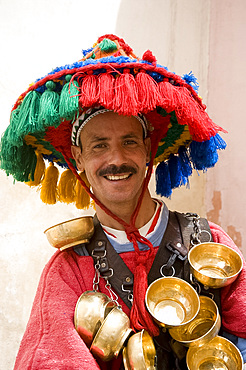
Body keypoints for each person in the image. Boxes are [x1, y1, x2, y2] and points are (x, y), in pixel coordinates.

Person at [1, 34, 246, 369]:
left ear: (148, 150)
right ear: (79, 158)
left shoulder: (210, 244)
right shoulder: (69, 269)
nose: (116, 159)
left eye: (129, 141)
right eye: (99, 145)